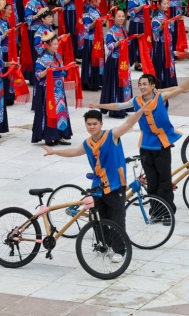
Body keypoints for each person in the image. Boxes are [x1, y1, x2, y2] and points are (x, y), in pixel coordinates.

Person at [42, 106, 151, 263]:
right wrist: (55, 152)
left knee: (117, 219)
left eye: (95, 123)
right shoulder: (87, 143)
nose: (92, 127)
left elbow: (128, 124)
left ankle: (120, 250)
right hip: (98, 187)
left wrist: (140, 111)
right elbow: (73, 152)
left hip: (115, 185)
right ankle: (104, 245)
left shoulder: (111, 135)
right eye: (89, 124)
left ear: (101, 124)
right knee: (98, 218)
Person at [91, 74, 189, 217]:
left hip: (162, 146)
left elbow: (181, 88)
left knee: (164, 181)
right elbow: (119, 105)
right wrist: (98, 106)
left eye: (145, 84)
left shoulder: (160, 98)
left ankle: (168, 213)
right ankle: (155, 212)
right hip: (145, 147)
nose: (142, 87)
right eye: (140, 84)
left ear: (152, 86)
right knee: (151, 182)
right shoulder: (137, 100)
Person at [99, 8, 133, 119]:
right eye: (119, 16)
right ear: (114, 18)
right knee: (116, 84)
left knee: (125, 83)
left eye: (123, 16)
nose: (121, 18)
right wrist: (119, 43)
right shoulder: (111, 31)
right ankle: (116, 110)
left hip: (123, 60)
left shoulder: (123, 29)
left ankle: (125, 106)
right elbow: (109, 46)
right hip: (115, 61)